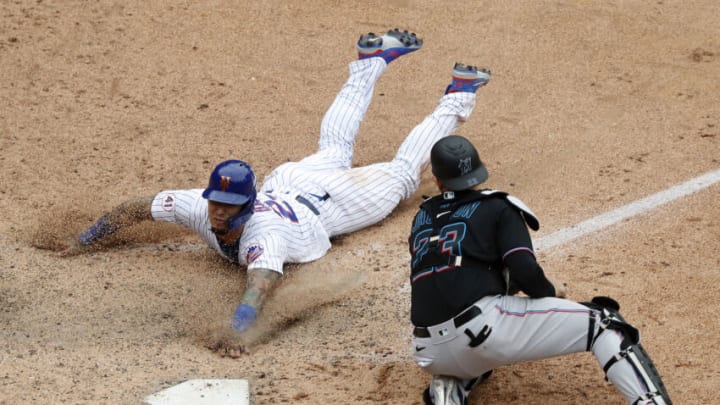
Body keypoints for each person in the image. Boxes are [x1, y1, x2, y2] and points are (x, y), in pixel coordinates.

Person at [62, 28, 492, 356]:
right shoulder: (198, 205)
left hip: (329, 202)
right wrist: (85, 240)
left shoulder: (263, 238)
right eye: (215, 202)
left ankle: (458, 94)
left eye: (227, 206)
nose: (216, 211)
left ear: (246, 207)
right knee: (335, 147)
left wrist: (237, 330)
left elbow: (259, 288)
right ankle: (371, 61)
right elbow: (140, 208)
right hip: (289, 184)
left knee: (400, 174)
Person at [407, 135, 672, 404]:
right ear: (478, 174)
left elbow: (443, 280)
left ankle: (449, 387)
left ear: (438, 180)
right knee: (604, 322)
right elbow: (524, 270)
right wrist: (548, 291)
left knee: (474, 346)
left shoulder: (422, 218)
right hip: (483, 332)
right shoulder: (497, 207)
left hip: (427, 351)